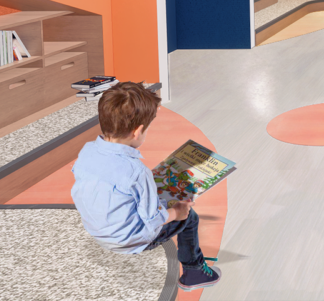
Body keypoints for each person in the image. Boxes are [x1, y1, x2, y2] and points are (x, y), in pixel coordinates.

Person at [71, 82, 220, 292]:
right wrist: (177, 212)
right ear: (138, 131)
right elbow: (153, 220)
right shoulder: (137, 172)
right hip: (128, 240)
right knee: (190, 217)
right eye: (147, 128)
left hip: (96, 230)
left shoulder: (87, 151)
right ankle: (194, 272)